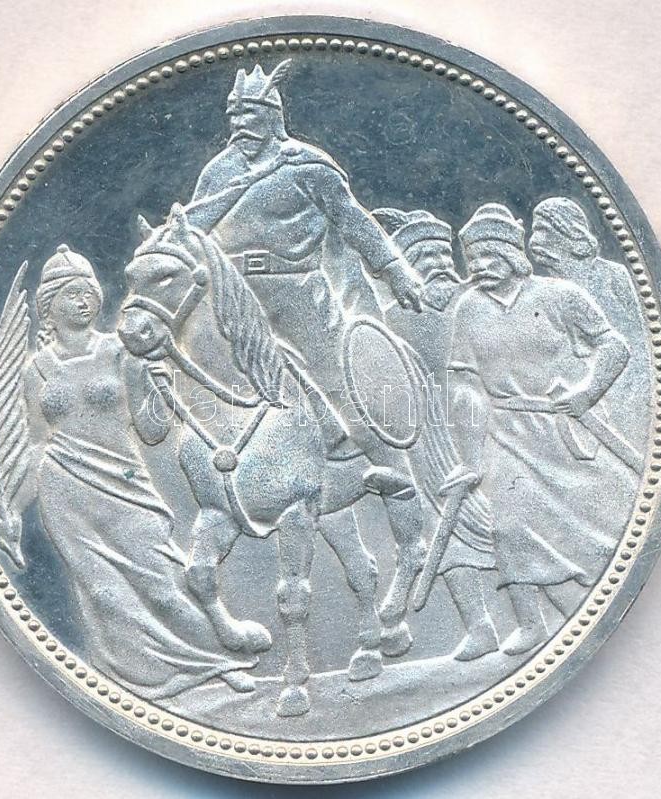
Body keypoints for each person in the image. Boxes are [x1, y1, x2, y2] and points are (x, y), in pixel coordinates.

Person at [184, 60, 427, 656]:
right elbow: (192, 232)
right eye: (233, 115)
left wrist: (395, 270)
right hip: (231, 299)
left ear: (273, 116)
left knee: (337, 384)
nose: (239, 124)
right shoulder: (218, 172)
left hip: (299, 299)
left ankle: (372, 460)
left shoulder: (307, 166)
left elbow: (354, 222)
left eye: (250, 114)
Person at [22, 244, 256, 699]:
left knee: (163, 580)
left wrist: (155, 388)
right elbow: (36, 444)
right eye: (71, 294)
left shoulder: (120, 352)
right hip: (64, 490)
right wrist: (15, 509)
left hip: (124, 483)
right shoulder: (38, 370)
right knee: (103, 595)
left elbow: (151, 431)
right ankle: (129, 679)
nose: (84, 301)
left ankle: (218, 661)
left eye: (88, 291)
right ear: (49, 305)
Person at [448, 204, 638, 655]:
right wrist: (470, 456)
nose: (479, 267)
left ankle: (600, 599)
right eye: (472, 259)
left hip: (566, 428)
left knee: (596, 521)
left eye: (488, 255)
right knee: (509, 527)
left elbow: (615, 345)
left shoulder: (560, 296)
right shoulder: (468, 309)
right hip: (506, 432)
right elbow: (465, 384)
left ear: (511, 253)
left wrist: (588, 391)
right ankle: (530, 623)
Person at [374, 207, 500, 660]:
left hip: (487, 429)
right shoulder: (393, 317)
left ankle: (519, 620)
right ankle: (483, 626)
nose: (437, 265)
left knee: (511, 524)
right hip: (434, 443)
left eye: (440, 255)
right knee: (450, 536)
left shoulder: (475, 304)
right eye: (425, 257)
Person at [529, 197, 650, 446]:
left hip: (619, 391)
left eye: (544, 230)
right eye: (534, 230)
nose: (534, 241)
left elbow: (637, 343)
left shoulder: (612, 276)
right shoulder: (542, 289)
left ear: (568, 233)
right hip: (568, 399)